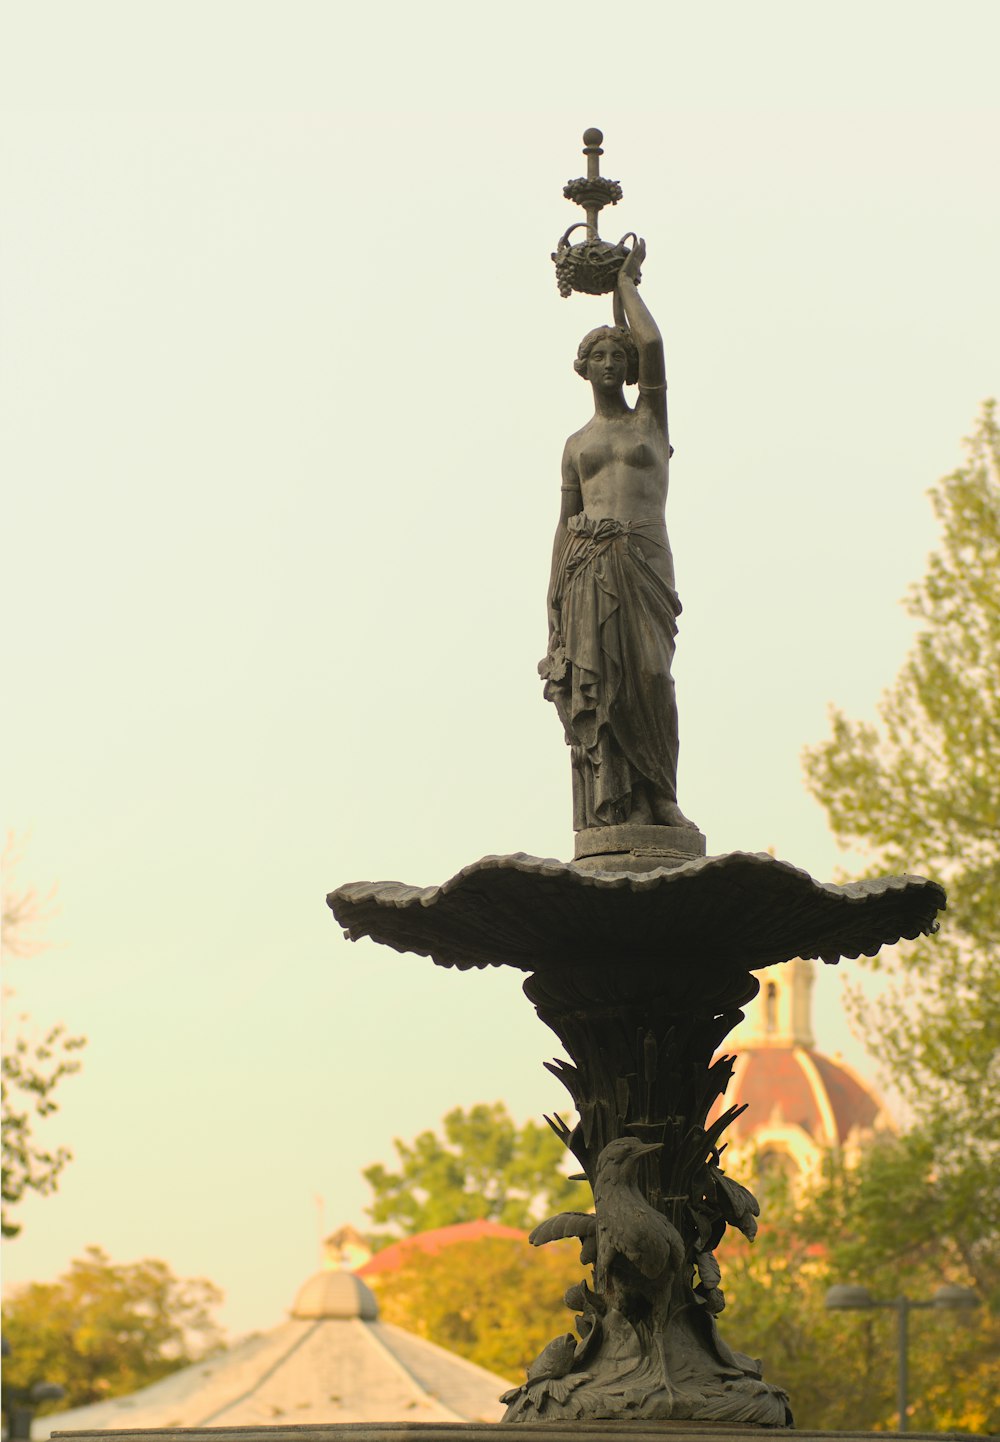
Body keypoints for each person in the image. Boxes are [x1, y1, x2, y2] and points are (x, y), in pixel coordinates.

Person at [539, 239, 698, 833]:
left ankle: (661, 795)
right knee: (602, 687)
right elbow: (563, 526)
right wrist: (552, 612)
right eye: (600, 355)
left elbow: (653, 344)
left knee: (653, 678)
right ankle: (621, 802)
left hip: (643, 558)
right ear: (584, 367)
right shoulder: (576, 445)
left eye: (617, 356)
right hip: (587, 566)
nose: (611, 364)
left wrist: (625, 283)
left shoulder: (649, 421)